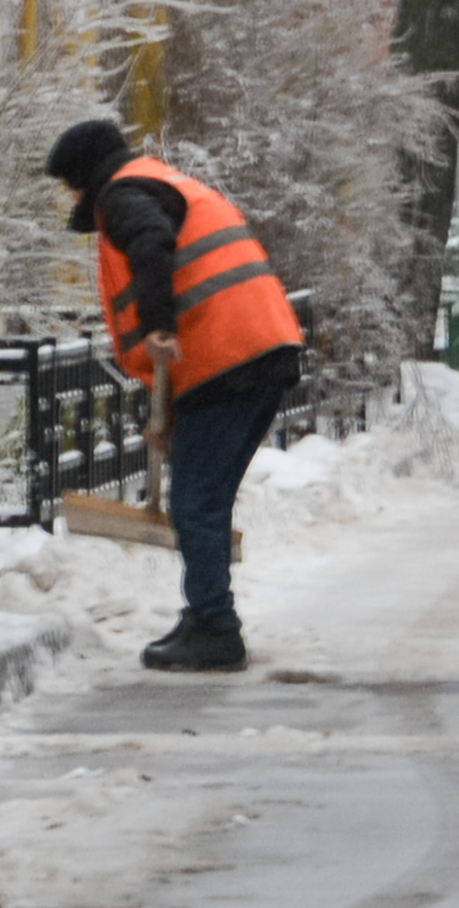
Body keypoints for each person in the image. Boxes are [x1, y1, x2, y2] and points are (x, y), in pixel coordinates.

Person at [46, 114, 306, 673]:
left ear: (84, 178)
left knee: (196, 500)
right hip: (255, 348)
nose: (69, 196)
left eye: (69, 184)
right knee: (201, 495)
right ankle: (206, 614)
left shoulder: (123, 196)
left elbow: (153, 245)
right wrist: (166, 413)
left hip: (229, 356)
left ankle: (215, 627)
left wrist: (161, 324)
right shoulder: (157, 181)